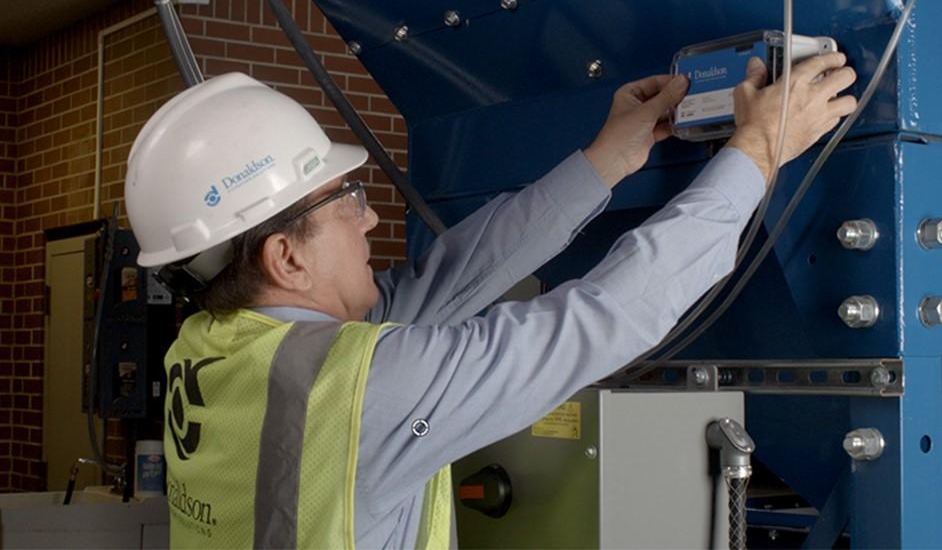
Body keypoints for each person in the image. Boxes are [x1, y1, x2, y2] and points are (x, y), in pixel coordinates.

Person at [124, 53, 856, 548]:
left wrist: (607, 161)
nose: (370, 218)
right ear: (285, 256)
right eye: (344, 201)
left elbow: (446, 280)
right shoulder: (358, 387)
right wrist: (760, 149)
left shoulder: (218, 346)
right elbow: (604, 316)